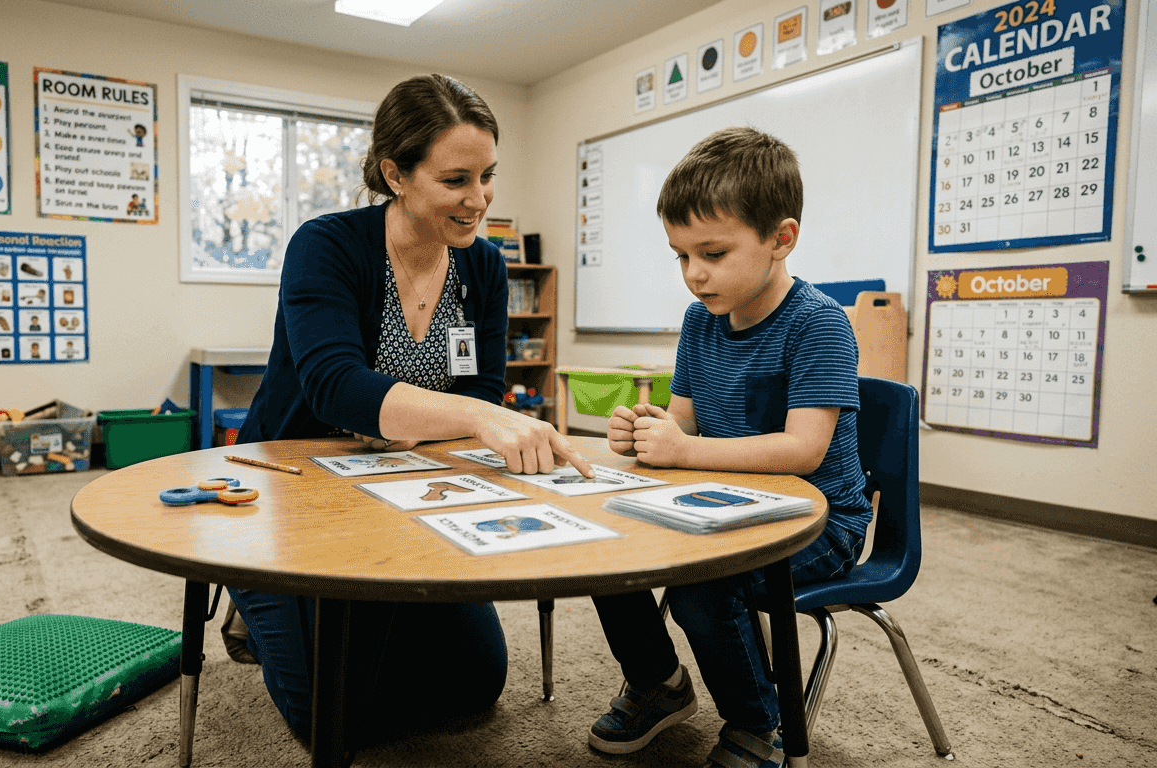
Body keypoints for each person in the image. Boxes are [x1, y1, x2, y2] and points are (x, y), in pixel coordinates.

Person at [228, 73, 592, 746]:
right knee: (331, 717)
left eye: (487, 176)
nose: (479, 199)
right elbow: (334, 386)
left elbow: (480, 386)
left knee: (473, 684)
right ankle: (251, 593)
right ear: (395, 173)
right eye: (456, 180)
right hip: (295, 480)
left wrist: (477, 417)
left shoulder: (481, 266)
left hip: (408, 481)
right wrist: (481, 421)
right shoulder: (328, 245)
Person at [585, 127, 874, 768]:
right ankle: (660, 683)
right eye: (680, 255)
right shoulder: (701, 320)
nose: (693, 275)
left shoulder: (820, 322)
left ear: (781, 239)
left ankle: (756, 722)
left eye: (712, 253)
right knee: (600, 545)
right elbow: (683, 424)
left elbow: (803, 451)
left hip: (814, 521)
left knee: (703, 589)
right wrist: (647, 431)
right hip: (720, 503)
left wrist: (683, 453)